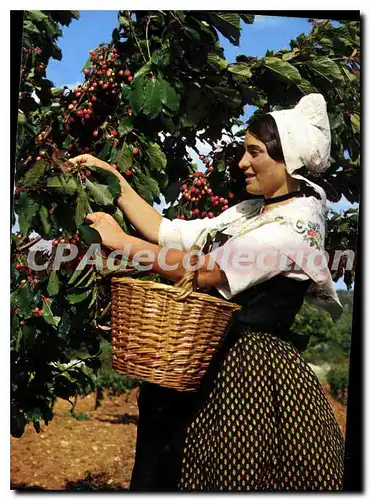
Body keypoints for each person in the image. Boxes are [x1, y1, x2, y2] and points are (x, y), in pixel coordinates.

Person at [70, 93, 345, 491]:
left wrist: (121, 243)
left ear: (289, 160)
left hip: (247, 377)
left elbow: (206, 270)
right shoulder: (254, 211)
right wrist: (115, 182)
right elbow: (171, 233)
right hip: (199, 361)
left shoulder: (295, 228)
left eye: (253, 152)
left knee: (227, 472)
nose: (242, 163)